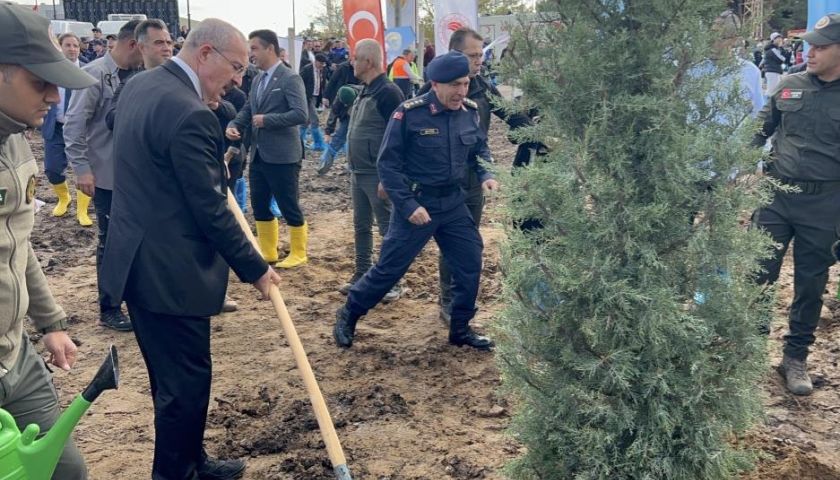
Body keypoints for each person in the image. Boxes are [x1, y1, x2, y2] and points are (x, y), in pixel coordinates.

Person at [100, 18, 281, 480]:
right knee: (184, 386)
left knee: (172, 381)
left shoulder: (141, 85)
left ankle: (192, 460)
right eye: (235, 67)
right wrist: (256, 269)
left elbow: (136, 140)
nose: (238, 79)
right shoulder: (190, 113)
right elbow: (211, 209)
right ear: (204, 54)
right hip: (170, 272)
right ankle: (175, 473)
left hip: (136, 261)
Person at [333, 51, 499, 351]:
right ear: (435, 84)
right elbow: (388, 165)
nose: (461, 91)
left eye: (465, 84)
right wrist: (409, 206)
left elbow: (479, 149)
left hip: (453, 203)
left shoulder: (469, 112)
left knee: (470, 263)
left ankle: (460, 328)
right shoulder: (409, 114)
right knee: (389, 269)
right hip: (417, 204)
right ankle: (349, 313)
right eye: (455, 85)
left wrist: (486, 173)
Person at [0, 3, 97, 478]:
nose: (55, 96)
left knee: (65, 470)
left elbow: (18, 244)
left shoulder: (15, 138)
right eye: (41, 82)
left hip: (15, 356)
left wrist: (51, 322)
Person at [418, 27, 532, 326]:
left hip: (474, 177)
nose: (479, 60)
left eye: (481, 54)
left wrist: (538, 133)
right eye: (472, 55)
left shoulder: (482, 87)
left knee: (467, 241)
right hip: (441, 180)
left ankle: (460, 301)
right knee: (448, 241)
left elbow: (512, 116)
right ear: (455, 54)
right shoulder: (431, 88)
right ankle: (447, 298)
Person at [752, 13, 840, 396]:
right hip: (776, 197)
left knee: (810, 284)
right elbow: (758, 130)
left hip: (825, 204)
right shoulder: (789, 85)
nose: (811, 52)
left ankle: (795, 358)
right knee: (757, 275)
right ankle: (747, 350)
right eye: (809, 45)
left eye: (821, 46)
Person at [64, 19, 142, 331]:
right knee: (111, 241)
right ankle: (109, 307)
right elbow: (74, 125)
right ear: (133, 44)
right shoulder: (94, 74)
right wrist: (82, 169)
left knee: (140, 238)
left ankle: (137, 297)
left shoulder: (140, 74)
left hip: (137, 174)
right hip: (107, 175)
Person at [226, 29, 309, 269]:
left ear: (270, 49)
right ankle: (268, 251)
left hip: (283, 155)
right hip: (259, 154)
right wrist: (234, 124)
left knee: (288, 203)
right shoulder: (258, 79)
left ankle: (298, 252)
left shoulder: (289, 78)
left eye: (254, 48)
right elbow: (248, 109)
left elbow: (301, 114)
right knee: (259, 204)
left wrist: (267, 120)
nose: (250, 54)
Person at [339, 39, 404, 301]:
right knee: (362, 226)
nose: (352, 62)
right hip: (359, 171)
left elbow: (399, 138)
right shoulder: (365, 91)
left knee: (388, 228)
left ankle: (393, 282)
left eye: (355, 58)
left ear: (367, 62)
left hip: (378, 174)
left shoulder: (388, 93)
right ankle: (362, 273)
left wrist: (389, 177)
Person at [41, 32, 90, 224]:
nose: (72, 49)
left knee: (84, 170)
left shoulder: (89, 71)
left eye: (75, 45)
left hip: (81, 130)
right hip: (55, 128)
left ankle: (82, 210)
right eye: (68, 45)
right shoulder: (50, 71)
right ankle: (64, 198)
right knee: (52, 169)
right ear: (60, 48)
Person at [105, 19, 174, 130]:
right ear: (142, 48)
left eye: (169, 43)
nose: (166, 48)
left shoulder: (182, 77)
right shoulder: (131, 82)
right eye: (159, 42)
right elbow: (112, 119)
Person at [300, 53, 328, 151]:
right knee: (314, 119)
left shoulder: (323, 70)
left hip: (315, 96)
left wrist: (322, 97)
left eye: (323, 64)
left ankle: (300, 141)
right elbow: (300, 82)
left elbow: (322, 84)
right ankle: (318, 143)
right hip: (307, 97)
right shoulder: (307, 69)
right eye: (321, 63)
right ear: (316, 61)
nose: (322, 65)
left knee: (306, 121)